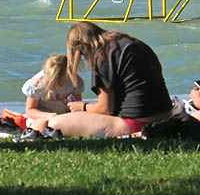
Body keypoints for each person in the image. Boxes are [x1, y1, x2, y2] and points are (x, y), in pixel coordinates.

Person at [29, 21, 173, 138]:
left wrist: (82, 107)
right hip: (166, 114)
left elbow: (105, 109)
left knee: (52, 123)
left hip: (136, 123)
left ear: (82, 47)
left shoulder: (102, 54)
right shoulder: (126, 42)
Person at [22, 53, 83, 123]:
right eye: (54, 82)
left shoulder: (74, 81)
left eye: (60, 81)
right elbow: (30, 110)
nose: (57, 85)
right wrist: (48, 116)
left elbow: (78, 105)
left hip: (65, 116)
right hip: (43, 116)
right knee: (41, 123)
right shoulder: (38, 83)